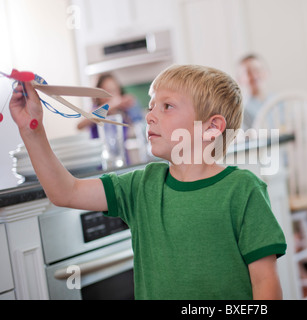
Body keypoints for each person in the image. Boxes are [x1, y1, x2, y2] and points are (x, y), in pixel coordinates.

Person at [9, 64, 287, 300]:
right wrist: (31, 130)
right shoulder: (141, 186)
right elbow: (65, 192)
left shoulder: (242, 189)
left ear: (211, 127)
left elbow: (265, 283)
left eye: (167, 106)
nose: (150, 115)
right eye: (151, 106)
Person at [237, 54, 271, 130]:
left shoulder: (281, 102)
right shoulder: (242, 110)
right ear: (239, 79)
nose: (255, 76)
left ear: (267, 72)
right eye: (248, 73)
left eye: (257, 70)